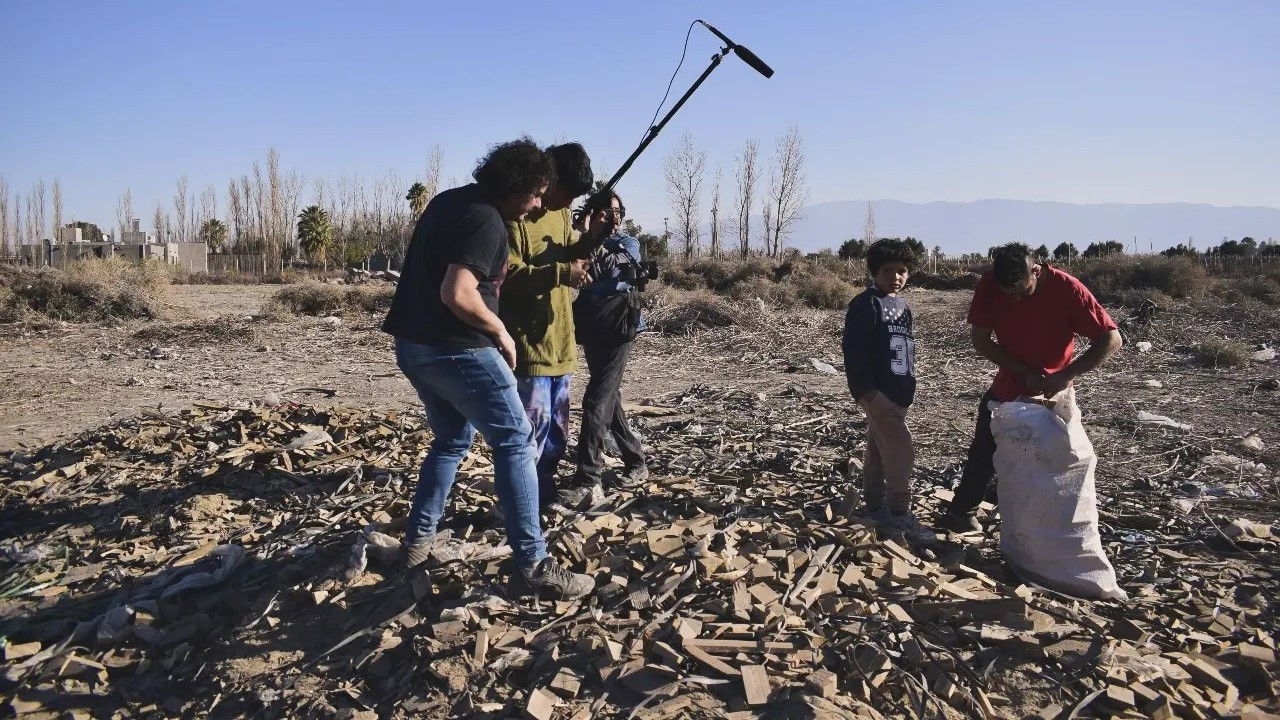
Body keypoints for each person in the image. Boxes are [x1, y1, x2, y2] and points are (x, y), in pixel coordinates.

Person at [381, 137, 594, 599]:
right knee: (516, 439)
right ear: (515, 187)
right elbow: (456, 293)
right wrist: (499, 330)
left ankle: (418, 543)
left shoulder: (450, 202)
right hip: (456, 348)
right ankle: (533, 563)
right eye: (536, 194)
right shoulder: (487, 221)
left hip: (413, 346)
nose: (539, 205)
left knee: (453, 440)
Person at [939, 243, 1123, 533]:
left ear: (1036, 271)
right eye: (1007, 293)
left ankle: (1047, 525)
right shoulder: (989, 285)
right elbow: (981, 340)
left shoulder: (1067, 289)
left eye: (1023, 291)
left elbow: (1111, 339)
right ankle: (962, 512)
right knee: (984, 451)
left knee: (1052, 461)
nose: (1014, 299)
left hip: (1051, 396)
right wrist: (1022, 371)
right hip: (1009, 388)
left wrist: (1065, 375)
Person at [499, 143, 609, 507]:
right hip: (529, 347)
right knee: (530, 437)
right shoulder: (514, 214)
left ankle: (542, 500)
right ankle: (520, 506)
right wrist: (563, 272)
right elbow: (508, 276)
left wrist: (593, 236)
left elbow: (569, 252)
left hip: (561, 343)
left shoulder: (563, 214)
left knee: (557, 436)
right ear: (547, 180)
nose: (568, 204)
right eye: (566, 194)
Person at [842, 239, 936, 545]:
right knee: (900, 450)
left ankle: (874, 505)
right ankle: (898, 511)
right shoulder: (866, 305)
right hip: (878, 393)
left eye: (902, 270)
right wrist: (867, 392)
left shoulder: (903, 307)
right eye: (888, 270)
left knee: (879, 449)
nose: (896, 277)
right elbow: (854, 353)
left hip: (898, 392)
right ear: (874, 271)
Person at [572, 190, 649, 488]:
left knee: (595, 399)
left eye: (617, 213)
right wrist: (586, 236)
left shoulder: (629, 243)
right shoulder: (583, 242)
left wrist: (592, 238)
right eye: (606, 213)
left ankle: (588, 477)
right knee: (608, 397)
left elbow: (604, 268)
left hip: (619, 327)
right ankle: (635, 461)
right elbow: (577, 267)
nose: (612, 219)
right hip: (592, 325)